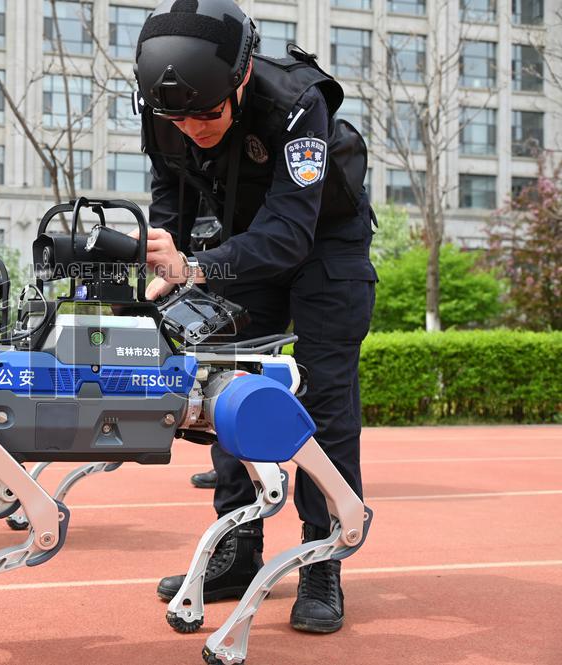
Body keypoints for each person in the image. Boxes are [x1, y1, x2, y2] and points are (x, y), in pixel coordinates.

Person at [133, 0, 376, 634]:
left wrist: (199, 267)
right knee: (226, 385)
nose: (192, 127)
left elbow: (290, 234)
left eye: (207, 114)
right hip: (235, 248)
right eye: (177, 118)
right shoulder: (166, 113)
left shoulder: (299, 102)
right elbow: (172, 190)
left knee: (322, 400)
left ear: (240, 81)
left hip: (324, 245)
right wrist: (166, 258)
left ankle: (323, 561)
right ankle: (238, 550)